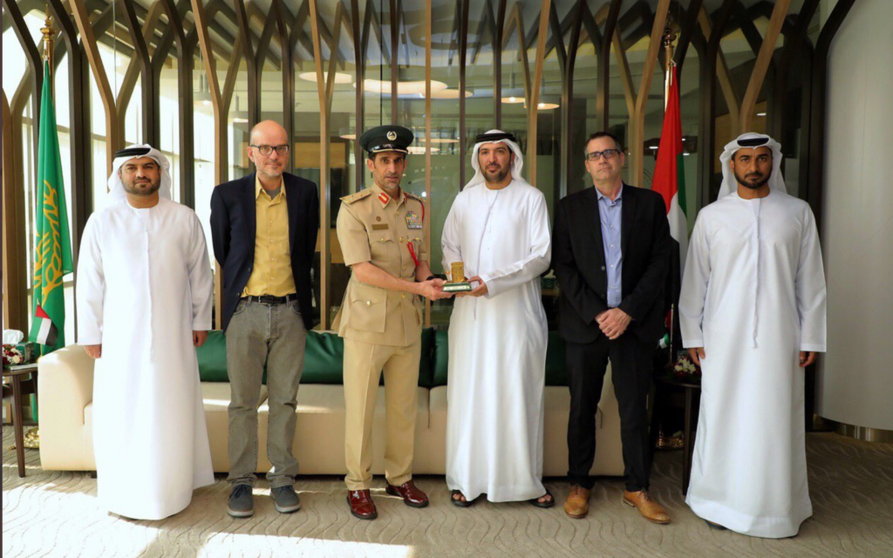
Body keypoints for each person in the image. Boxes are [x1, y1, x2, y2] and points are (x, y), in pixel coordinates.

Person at [679, 132, 827, 538]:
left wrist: (810, 337)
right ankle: (716, 500)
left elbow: (810, 282)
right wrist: (692, 333)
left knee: (774, 419)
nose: (754, 167)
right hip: (722, 338)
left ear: (772, 164)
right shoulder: (712, 216)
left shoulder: (797, 212)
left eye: (762, 159)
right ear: (732, 165)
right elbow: (696, 281)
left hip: (781, 337)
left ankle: (777, 510)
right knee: (723, 415)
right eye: (745, 160)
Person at [76, 145, 214, 520]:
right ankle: (123, 494)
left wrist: (200, 321)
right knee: (124, 410)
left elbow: (200, 275)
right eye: (132, 168)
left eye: (148, 167)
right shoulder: (102, 221)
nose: (140, 174)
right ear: (120, 175)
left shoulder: (184, 218)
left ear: (159, 173)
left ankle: (173, 492)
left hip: (173, 336)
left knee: (171, 408)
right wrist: (91, 332)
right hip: (119, 340)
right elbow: (89, 281)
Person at [552, 132, 671, 524]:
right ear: (586, 166)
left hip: (633, 326)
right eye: (594, 156)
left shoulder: (650, 204)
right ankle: (579, 484)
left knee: (636, 408)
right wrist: (598, 312)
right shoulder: (569, 208)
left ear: (622, 157)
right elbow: (564, 267)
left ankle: (637, 488)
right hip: (587, 325)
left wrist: (627, 311)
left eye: (608, 153)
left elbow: (660, 263)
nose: (602, 160)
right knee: (582, 407)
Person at [333, 125, 450, 520]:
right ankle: (358, 485)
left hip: (406, 322)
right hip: (367, 323)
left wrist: (431, 281)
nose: (393, 167)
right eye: (385, 160)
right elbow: (362, 269)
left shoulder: (415, 207)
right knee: (361, 409)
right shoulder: (354, 208)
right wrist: (417, 289)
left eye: (399, 160)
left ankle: (399, 477)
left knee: (403, 408)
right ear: (371, 164)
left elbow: (419, 261)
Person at [210, 121, 320, 518]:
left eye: (281, 148)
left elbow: (306, 249)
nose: (274, 156)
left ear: (287, 153)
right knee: (242, 402)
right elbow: (225, 251)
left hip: (290, 311)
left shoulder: (306, 193)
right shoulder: (227, 195)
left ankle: (282, 478)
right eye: (265, 148)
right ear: (250, 153)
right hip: (245, 311)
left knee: (285, 400)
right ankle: (241, 482)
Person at [441, 130, 553, 508]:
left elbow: (541, 256)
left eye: (500, 152)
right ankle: (466, 478)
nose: (492, 159)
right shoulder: (464, 199)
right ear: (478, 159)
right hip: (470, 316)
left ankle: (524, 482)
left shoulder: (531, 199)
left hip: (516, 317)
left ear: (512, 158)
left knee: (515, 393)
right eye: (485, 152)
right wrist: (460, 280)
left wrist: (490, 281)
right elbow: (449, 246)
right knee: (470, 396)